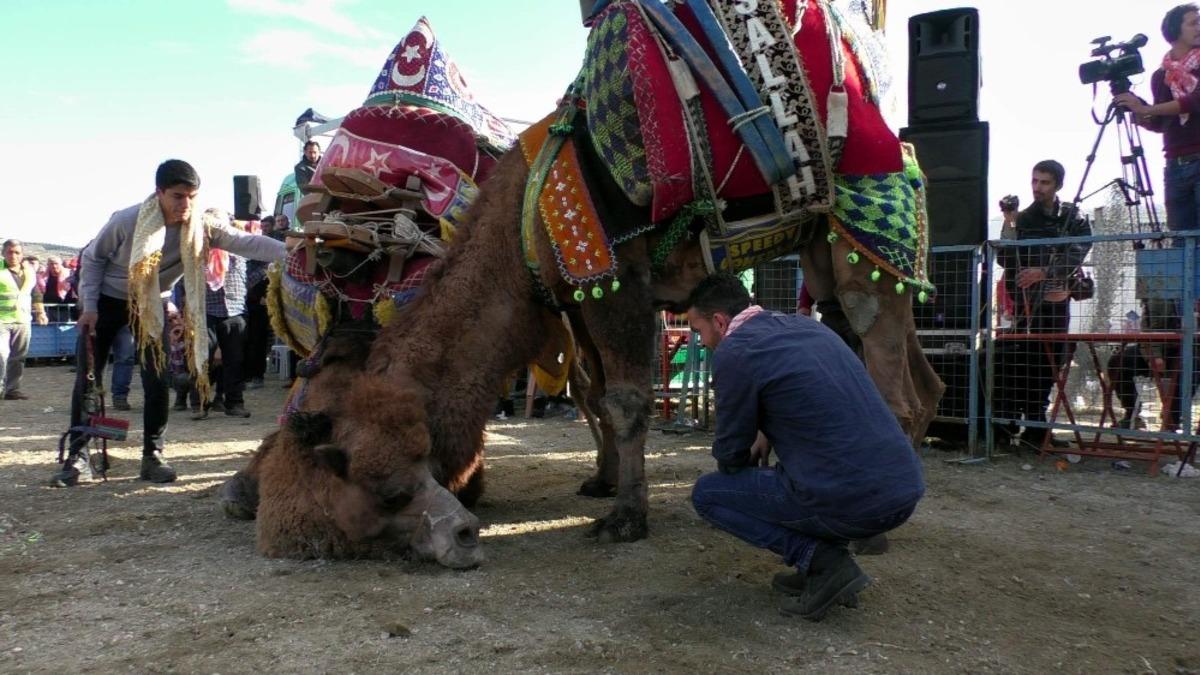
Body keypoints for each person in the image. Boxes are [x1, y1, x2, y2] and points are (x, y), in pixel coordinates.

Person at [685, 274, 924, 622]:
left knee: (709, 494)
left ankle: (823, 562)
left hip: (855, 502)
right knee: (811, 465)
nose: (702, 341)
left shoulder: (735, 351)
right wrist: (768, 426)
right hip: (903, 490)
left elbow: (731, 452)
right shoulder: (807, 328)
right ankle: (826, 557)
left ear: (719, 322)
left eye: (699, 331)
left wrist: (747, 446)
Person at [51, 159, 286, 487]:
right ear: (159, 192)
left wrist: (293, 249)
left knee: (157, 378)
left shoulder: (201, 225)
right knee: (88, 378)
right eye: (177, 196)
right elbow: (92, 258)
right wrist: (89, 307)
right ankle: (78, 457)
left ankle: (153, 455)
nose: (185, 205)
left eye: (192, 196)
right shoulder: (127, 220)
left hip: (152, 302)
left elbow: (245, 242)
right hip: (106, 300)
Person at [993, 160, 1092, 450]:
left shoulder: (1073, 218)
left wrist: (1046, 273)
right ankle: (1023, 425)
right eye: (1035, 181)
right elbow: (1006, 259)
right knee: (1023, 363)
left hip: (1055, 302)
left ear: (1057, 185)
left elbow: (1078, 252)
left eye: (1044, 182)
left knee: (1050, 364)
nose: (1037, 188)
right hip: (1026, 303)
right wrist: (1009, 221)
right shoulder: (1023, 219)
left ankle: (1037, 428)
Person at [1116, 4, 1200, 237]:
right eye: (1193, 23)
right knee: (1180, 241)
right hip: (1175, 164)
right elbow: (1162, 123)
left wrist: (1147, 108)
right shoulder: (1161, 76)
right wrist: (1138, 112)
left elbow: (1193, 102)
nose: (1199, 28)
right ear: (1175, 31)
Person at [197, 213, 253, 419]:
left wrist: (244, 290)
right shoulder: (197, 249)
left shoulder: (240, 247)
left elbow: (251, 273)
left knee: (235, 360)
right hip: (206, 311)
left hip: (235, 311)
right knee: (204, 358)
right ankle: (201, 403)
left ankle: (234, 403)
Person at [1, 239, 48, 400]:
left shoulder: (29, 272)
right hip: (1, 320)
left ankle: (12, 389)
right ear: (3, 253)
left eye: (17, 252)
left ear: (22, 255)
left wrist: (41, 312)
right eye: (9, 252)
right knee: (2, 354)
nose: (13, 255)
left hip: (22, 320)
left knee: (18, 357)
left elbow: (36, 294)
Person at [37, 255, 78, 323]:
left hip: (66, 309)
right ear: (48, 265)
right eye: (51, 264)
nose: (54, 266)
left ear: (60, 264)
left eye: (56, 263)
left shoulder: (69, 274)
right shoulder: (42, 277)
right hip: (48, 308)